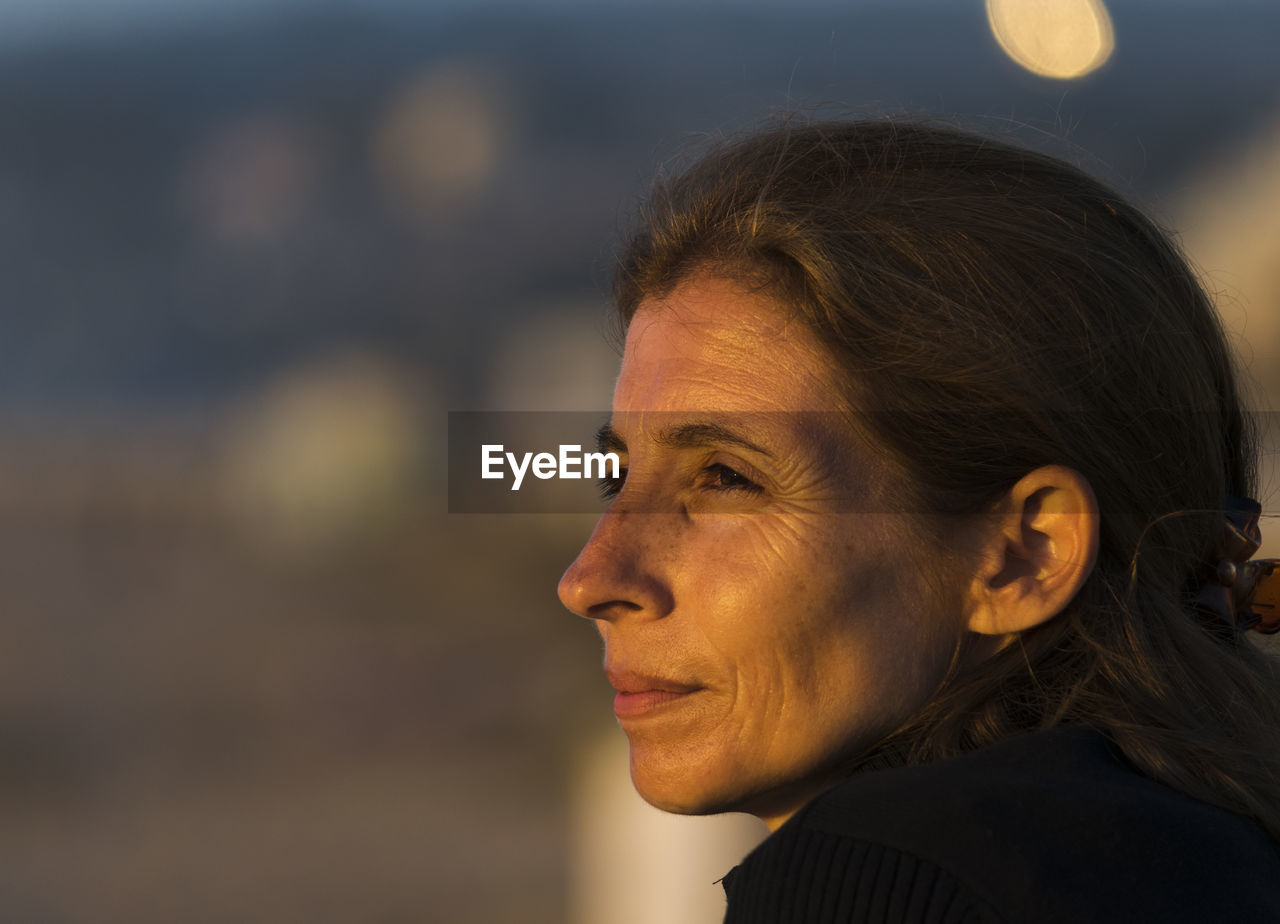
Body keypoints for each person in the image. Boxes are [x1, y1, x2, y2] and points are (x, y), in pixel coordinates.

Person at [556, 119, 1280, 922]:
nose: (591, 579)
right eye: (615, 478)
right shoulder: (1218, 846)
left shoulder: (889, 875)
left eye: (727, 478)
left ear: (1023, 553)